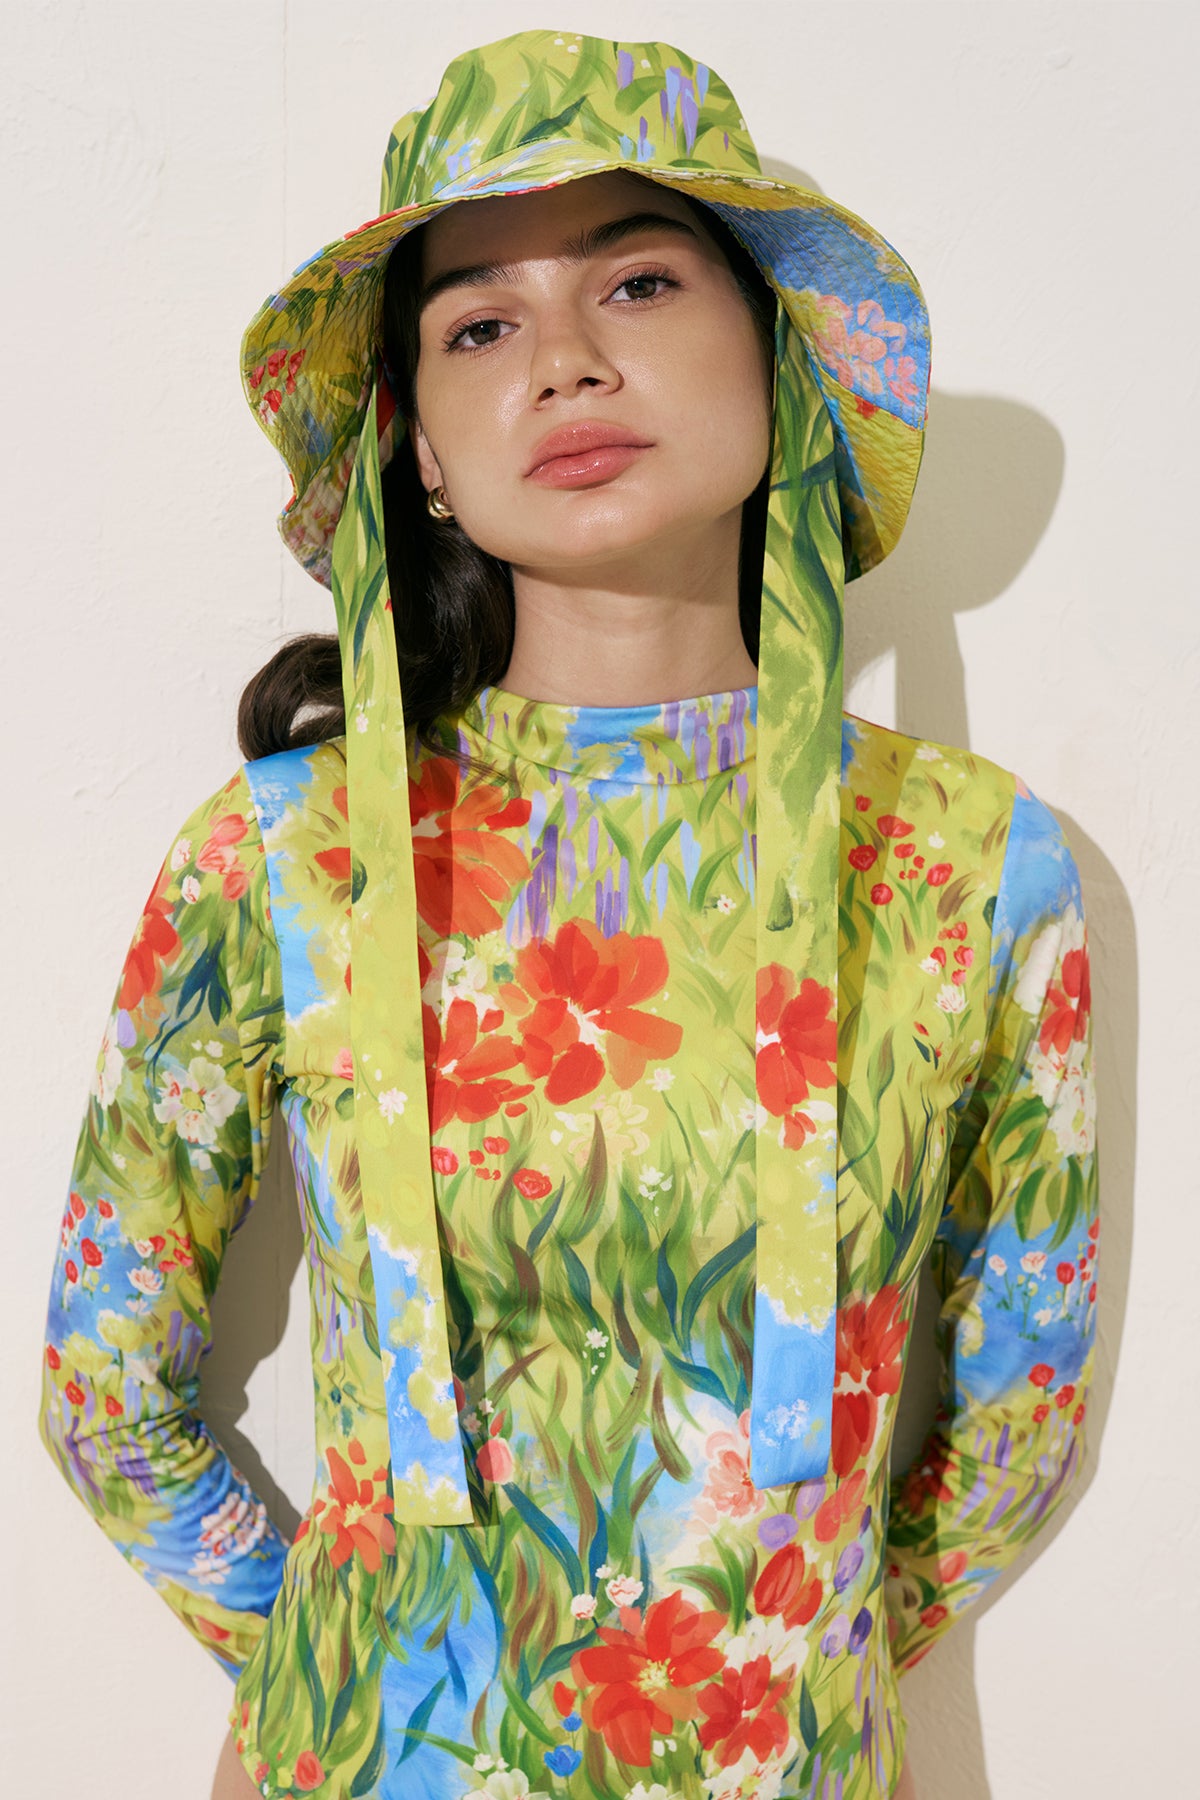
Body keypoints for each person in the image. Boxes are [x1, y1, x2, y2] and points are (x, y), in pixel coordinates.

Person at [37, 28, 1098, 1800]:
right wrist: (350, 1672)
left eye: (640, 281)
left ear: (780, 362)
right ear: (419, 455)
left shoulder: (973, 865)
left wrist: (764, 1678)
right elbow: (103, 1395)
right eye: (480, 325)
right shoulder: (278, 858)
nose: (567, 360)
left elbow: (1018, 1417)